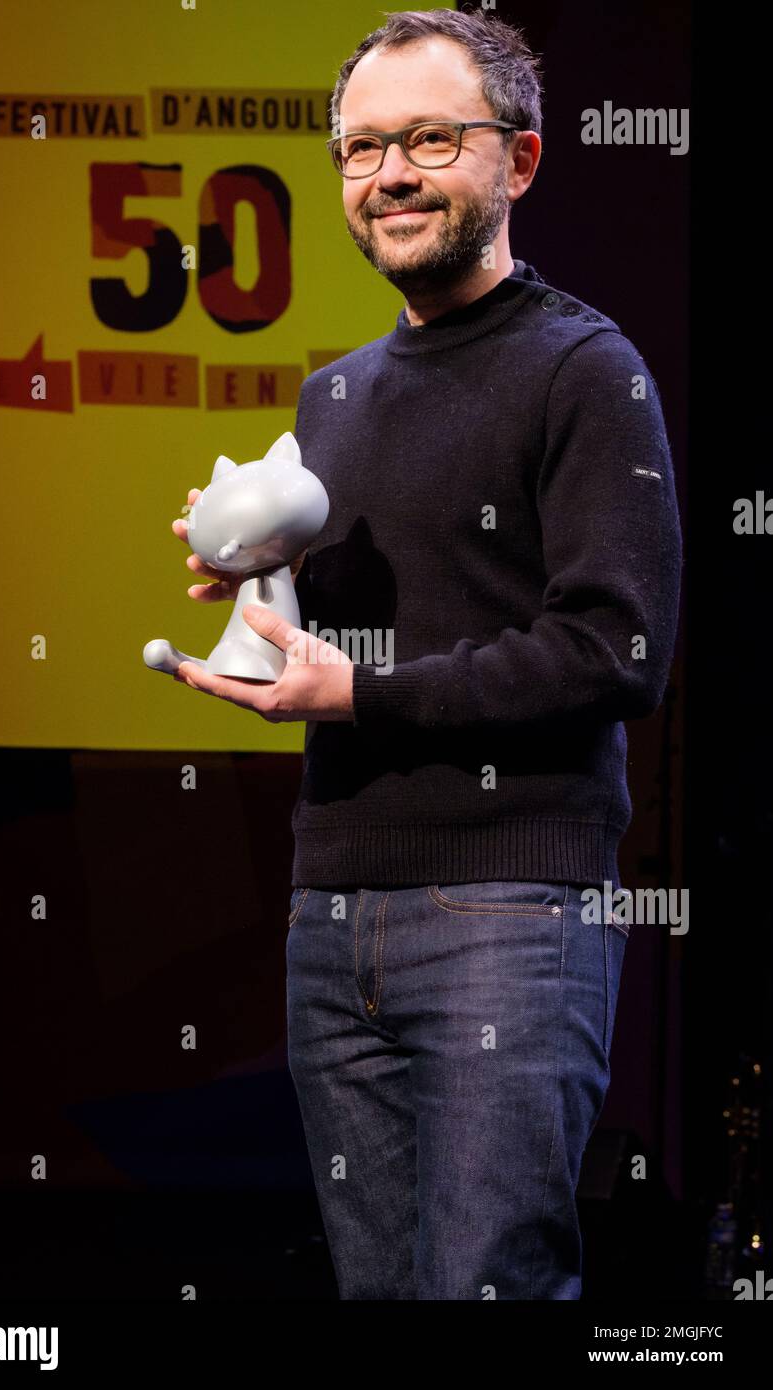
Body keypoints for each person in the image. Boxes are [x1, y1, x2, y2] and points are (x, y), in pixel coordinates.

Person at [172, 9, 683, 1299]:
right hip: (334, 908)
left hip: (509, 911)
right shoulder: (330, 398)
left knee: (486, 1288)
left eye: (428, 140)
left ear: (518, 162)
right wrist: (255, 590)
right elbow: (360, 644)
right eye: (358, 148)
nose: (388, 173)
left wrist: (363, 688)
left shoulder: (585, 368)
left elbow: (615, 648)